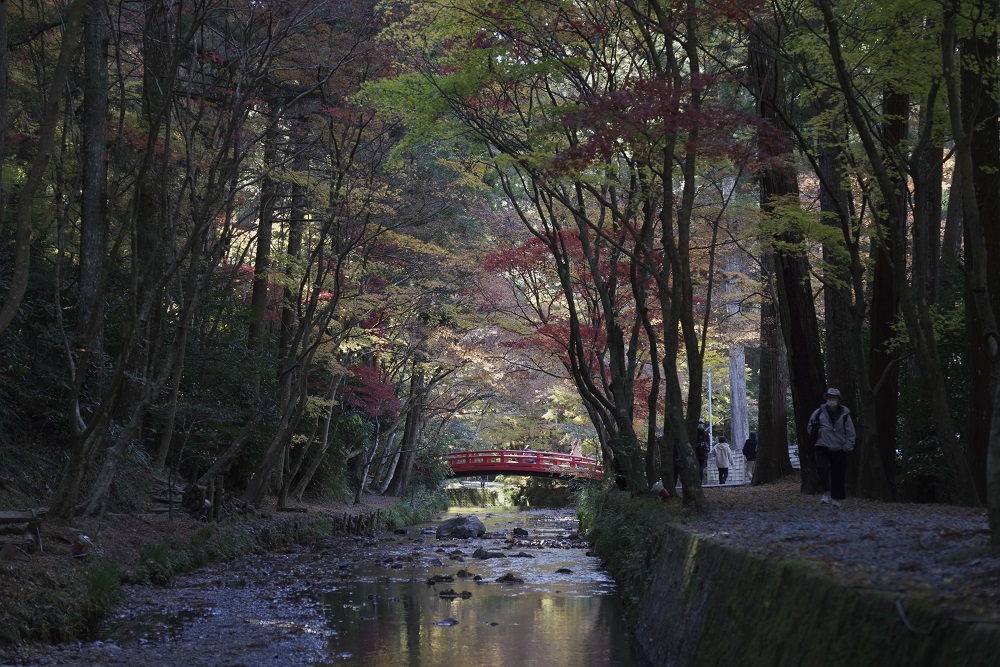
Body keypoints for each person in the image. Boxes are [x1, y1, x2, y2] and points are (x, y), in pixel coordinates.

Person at [807, 387, 856, 507]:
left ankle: (836, 498)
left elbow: (850, 432)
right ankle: (826, 492)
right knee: (822, 468)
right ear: (826, 398)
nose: (832, 400)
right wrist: (819, 435)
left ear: (838, 400)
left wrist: (847, 446)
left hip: (839, 447)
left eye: (834, 398)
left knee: (838, 473)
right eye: (830, 397)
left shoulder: (845, 414)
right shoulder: (818, 412)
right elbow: (810, 427)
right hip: (822, 445)